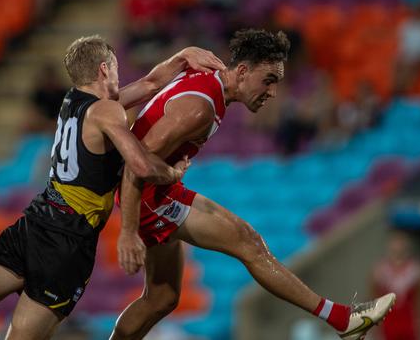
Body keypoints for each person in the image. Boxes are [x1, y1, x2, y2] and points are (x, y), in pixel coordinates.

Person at [0, 36, 226, 340]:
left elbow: (149, 83)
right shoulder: (108, 111)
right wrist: (173, 173)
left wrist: (182, 57)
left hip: (35, 222)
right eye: (114, 66)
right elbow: (141, 165)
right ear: (104, 68)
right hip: (67, 243)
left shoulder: (72, 102)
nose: (119, 73)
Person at [111, 29, 396, 340]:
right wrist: (127, 231)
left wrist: (182, 53)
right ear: (243, 72)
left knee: (161, 298)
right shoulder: (200, 107)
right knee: (249, 243)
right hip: (147, 197)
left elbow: (154, 88)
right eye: (269, 80)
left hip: (158, 189)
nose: (272, 92)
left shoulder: (207, 76)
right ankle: (343, 320)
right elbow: (135, 166)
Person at [372, 231, 420, 340]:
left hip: (408, 325)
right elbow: (374, 300)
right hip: (388, 325)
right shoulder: (381, 271)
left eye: (401, 250)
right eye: (395, 250)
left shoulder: (414, 271)